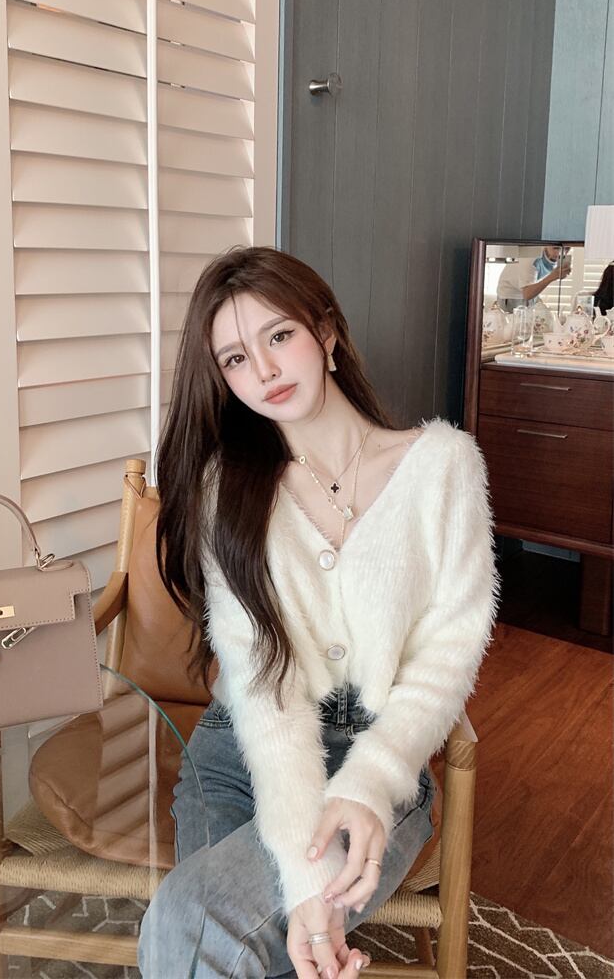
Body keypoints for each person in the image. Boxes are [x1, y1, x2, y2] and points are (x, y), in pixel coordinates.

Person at [138, 246, 500, 979]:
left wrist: (372, 783)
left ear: (326, 332)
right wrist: (307, 882)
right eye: (235, 359)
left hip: (376, 760)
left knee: (194, 924)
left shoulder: (443, 466)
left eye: (279, 336)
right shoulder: (225, 491)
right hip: (241, 750)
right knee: (220, 940)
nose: (265, 371)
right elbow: (260, 686)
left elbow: (449, 651)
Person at [495, 244, 571, 312]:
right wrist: (552, 277)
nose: (561, 253)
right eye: (556, 248)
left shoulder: (554, 258)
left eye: (567, 248)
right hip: (511, 295)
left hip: (528, 291)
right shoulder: (532, 257)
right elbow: (527, 294)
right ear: (546, 245)